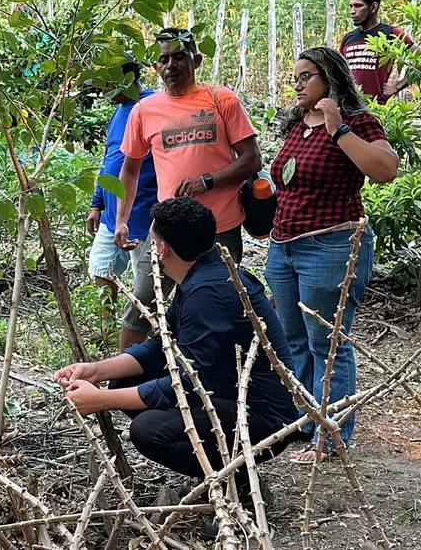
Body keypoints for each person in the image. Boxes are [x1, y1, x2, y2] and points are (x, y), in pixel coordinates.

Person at [55, 197, 297, 499]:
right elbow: (162, 346)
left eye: (152, 241)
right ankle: (223, 470)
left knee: (149, 431)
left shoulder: (207, 293)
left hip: (263, 418)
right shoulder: (201, 275)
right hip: (228, 393)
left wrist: (100, 400)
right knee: (123, 380)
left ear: (162, 249)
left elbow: (187, 384)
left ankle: (238, 485)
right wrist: (96, 371)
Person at [263, 47, 398, 464]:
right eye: (296, 77)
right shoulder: (296, 123)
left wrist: (338, 129)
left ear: (330, 78)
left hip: (331, 247)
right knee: (294, 342)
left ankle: (331, 435)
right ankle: (306, 423)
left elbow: (385, 169)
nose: (298, 85)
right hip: (283, 247)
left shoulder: (358, 121)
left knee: (328, 344)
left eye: (306, 76)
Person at [114, 27, 263, 352]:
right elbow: (129, 170)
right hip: (167, 231)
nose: (171, 65)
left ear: (196, 60)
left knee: (216, 308)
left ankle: (215, 376)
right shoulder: (144, 110)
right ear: (155, 66)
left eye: (179, 57)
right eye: (164, 59)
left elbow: (251, 159)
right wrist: (121, 220)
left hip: (220, 229)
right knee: (141, 307)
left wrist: (205, 181)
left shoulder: (221, 99)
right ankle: (120, 379)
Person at [86, 59, 157, 334]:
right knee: (101, 268)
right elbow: (109, 159)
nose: (103, 91)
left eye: (106, 84)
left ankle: (146, 336)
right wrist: (97, 203)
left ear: (125, 80)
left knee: (146, 285)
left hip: (142, 214)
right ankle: (106, 330)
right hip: (112, 215)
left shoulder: (153, 107)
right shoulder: (118, 112)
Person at [340, 0, 418, 104]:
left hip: (376, 107)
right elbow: (338, 70)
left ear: (373, 7)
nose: (352, 11)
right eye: (351, 6)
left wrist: (396, 87)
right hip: (349, 107)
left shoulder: (391, 33)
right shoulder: (348, 38)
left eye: (358, 6)